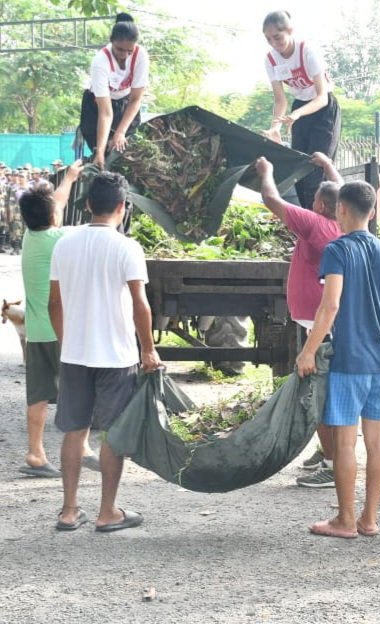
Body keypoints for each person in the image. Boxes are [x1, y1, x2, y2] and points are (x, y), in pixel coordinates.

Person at [296, 180, 380, 539]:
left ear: (340, 209)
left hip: (349, 361)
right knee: (377, 443)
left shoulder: (337, 250)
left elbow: (330, 305)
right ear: (372, 212)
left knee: (346, 443)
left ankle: (345, 520)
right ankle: (369, 519)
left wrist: (309, 350)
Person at [48, 172, 161, 532]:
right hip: (116, 355)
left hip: (75, 354)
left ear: (86, 206)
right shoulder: (127, 247)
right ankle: (107, 512)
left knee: (74, 431)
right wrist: (149, 350)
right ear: (123, 207)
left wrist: (67, 342)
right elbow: (140, 306)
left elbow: (54, 303)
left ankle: (68, 510)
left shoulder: (64, 243)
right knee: (112, 434)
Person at [256, 152, 343, 488]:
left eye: (316, 199)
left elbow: (270, 199)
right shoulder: (343, 224)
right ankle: (329, 452)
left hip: (319, 324)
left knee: (317, 392)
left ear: (320, 205)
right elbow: (343, 190)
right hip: (324, 321)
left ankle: (333, 462)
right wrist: (327, 167)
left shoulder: (314, 224)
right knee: (323, 390)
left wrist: (267, 170)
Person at [18, 161, 102, 478]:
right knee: (77, 388)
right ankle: (80, 448)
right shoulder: (64, 238)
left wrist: (68, 178)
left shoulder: (31, 236)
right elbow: (97, 225)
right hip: (63, 330)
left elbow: (59, 204)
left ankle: (35, 453)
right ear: (53, 217)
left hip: (38, 331)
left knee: (38, 393)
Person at [262, 10, 341, 212]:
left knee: (316, 172)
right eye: (268, 39)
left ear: (290, 31)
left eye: (277, 37)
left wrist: (296, 115)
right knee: (300, 173)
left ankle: (328, 225)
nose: (273, 43)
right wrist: (275, 128)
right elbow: (280, 100)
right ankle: (308, 226)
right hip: (298, 109)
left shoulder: (307, 51)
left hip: (323, 109)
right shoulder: (270, 60)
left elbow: (322, 97)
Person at [79, 13, 149, 170]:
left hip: (126, 104)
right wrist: (100, 151)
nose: (124, 55)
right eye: (119, 49)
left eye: (129, 51)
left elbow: (136, 99)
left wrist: (120, 132)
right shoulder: (100, 62)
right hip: (97, 107)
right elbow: (105, 113)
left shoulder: (141, 55)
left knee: (123, 149)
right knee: (102, 153)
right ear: (111, 42)